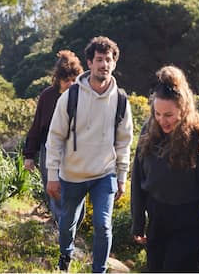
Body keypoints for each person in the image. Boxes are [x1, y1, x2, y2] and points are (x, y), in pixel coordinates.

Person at [45, 36, 134, 273]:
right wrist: (52, 174)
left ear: (114, 63)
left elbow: (124, 143)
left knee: (103, 225)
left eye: (108, 60)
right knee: (67, 224)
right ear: (89, 63)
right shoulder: (70, 97)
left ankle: (100, 270)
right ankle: (66, 255)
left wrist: (122, 177)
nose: (104, 64)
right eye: (99, 60)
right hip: (72, 174)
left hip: (104, 174)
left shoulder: (122, 101)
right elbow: (54, 138)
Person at [131, 65, 199, 273]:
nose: (162, 120)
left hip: (191, 227)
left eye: (168, 115)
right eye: (157, 113)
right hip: (158, 223)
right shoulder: (149, 131)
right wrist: (138, 221)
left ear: (183, 110)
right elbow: (138, 178)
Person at [23, 50, 84, 225]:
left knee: (76, 191)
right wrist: (29, 155)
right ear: (58, 79)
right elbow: (36, 127)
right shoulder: (47, 96)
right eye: (66, 81)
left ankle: (72, 228)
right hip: (49, 149)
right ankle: (61, 227)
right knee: (53, 189)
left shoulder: (83, 96)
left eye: (74, 80)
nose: (70, 84)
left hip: (75, 150)